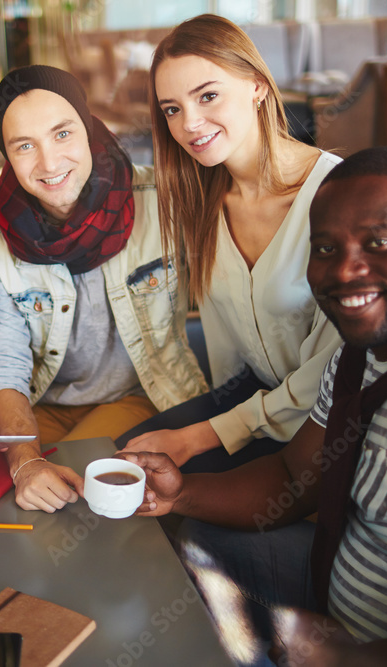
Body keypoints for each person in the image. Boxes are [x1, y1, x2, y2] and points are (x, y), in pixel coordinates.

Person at [122, 147, 387, 665]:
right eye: (326, 249)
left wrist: (346, 656)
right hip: (335, 586)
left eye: (379, 243)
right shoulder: (362, 352)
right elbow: (294, 479)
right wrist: (179, 493)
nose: (346, 271)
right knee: (202, 539)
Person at [0, 65, 209, 512]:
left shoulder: (162, 199)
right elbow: (5, 361)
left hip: (138, 395)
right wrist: (24, 461)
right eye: (25, 146)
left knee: (67, 496)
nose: (48, 163)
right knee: (5, 492)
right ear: (6, 155)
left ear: (88, 127)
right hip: (44, 399)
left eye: (62, 134)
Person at [119, 15, 342, 474]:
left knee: (174, 498)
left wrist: (203, 437)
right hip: (251, 407)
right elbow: (226, 355)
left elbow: (331, 376)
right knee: (126, 462)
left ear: (257, 86)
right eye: (172, 109)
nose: (190, 124)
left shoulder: (337, 194)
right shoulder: (201, 199)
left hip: (331, 422)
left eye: (207, 95)